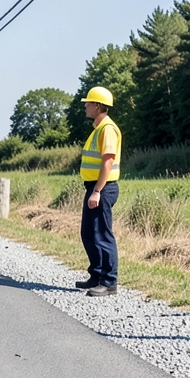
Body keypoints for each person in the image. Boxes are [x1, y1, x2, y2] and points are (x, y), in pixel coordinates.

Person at [75, 86, 121, 297]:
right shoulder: (98, 128)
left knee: (102, 235)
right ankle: (96, 276)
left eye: (88, 103)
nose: (85, 106)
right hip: (95, 187)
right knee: (88, 234)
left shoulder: (107, 129)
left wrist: (97, 191)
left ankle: (109, 282)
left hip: (102, 188)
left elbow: (108, 161)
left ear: (97, 105)